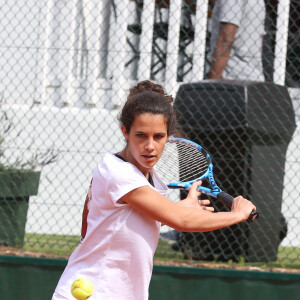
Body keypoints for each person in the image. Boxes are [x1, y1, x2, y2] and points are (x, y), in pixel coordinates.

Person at [52, 80, 256, 300]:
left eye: (158, 137)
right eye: (141, 135)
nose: (150, 146)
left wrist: (172, 211)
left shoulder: (148, 177)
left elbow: (120, 222)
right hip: (95, 293)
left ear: (168, 137)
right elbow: (183, 222)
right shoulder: (118, 173)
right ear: (125, 132)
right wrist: (236, 214)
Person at [207, 0, 266, 81]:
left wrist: (212, 82)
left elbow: (225, 39)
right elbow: (259, 41)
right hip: (254, 76)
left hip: (231, 78)